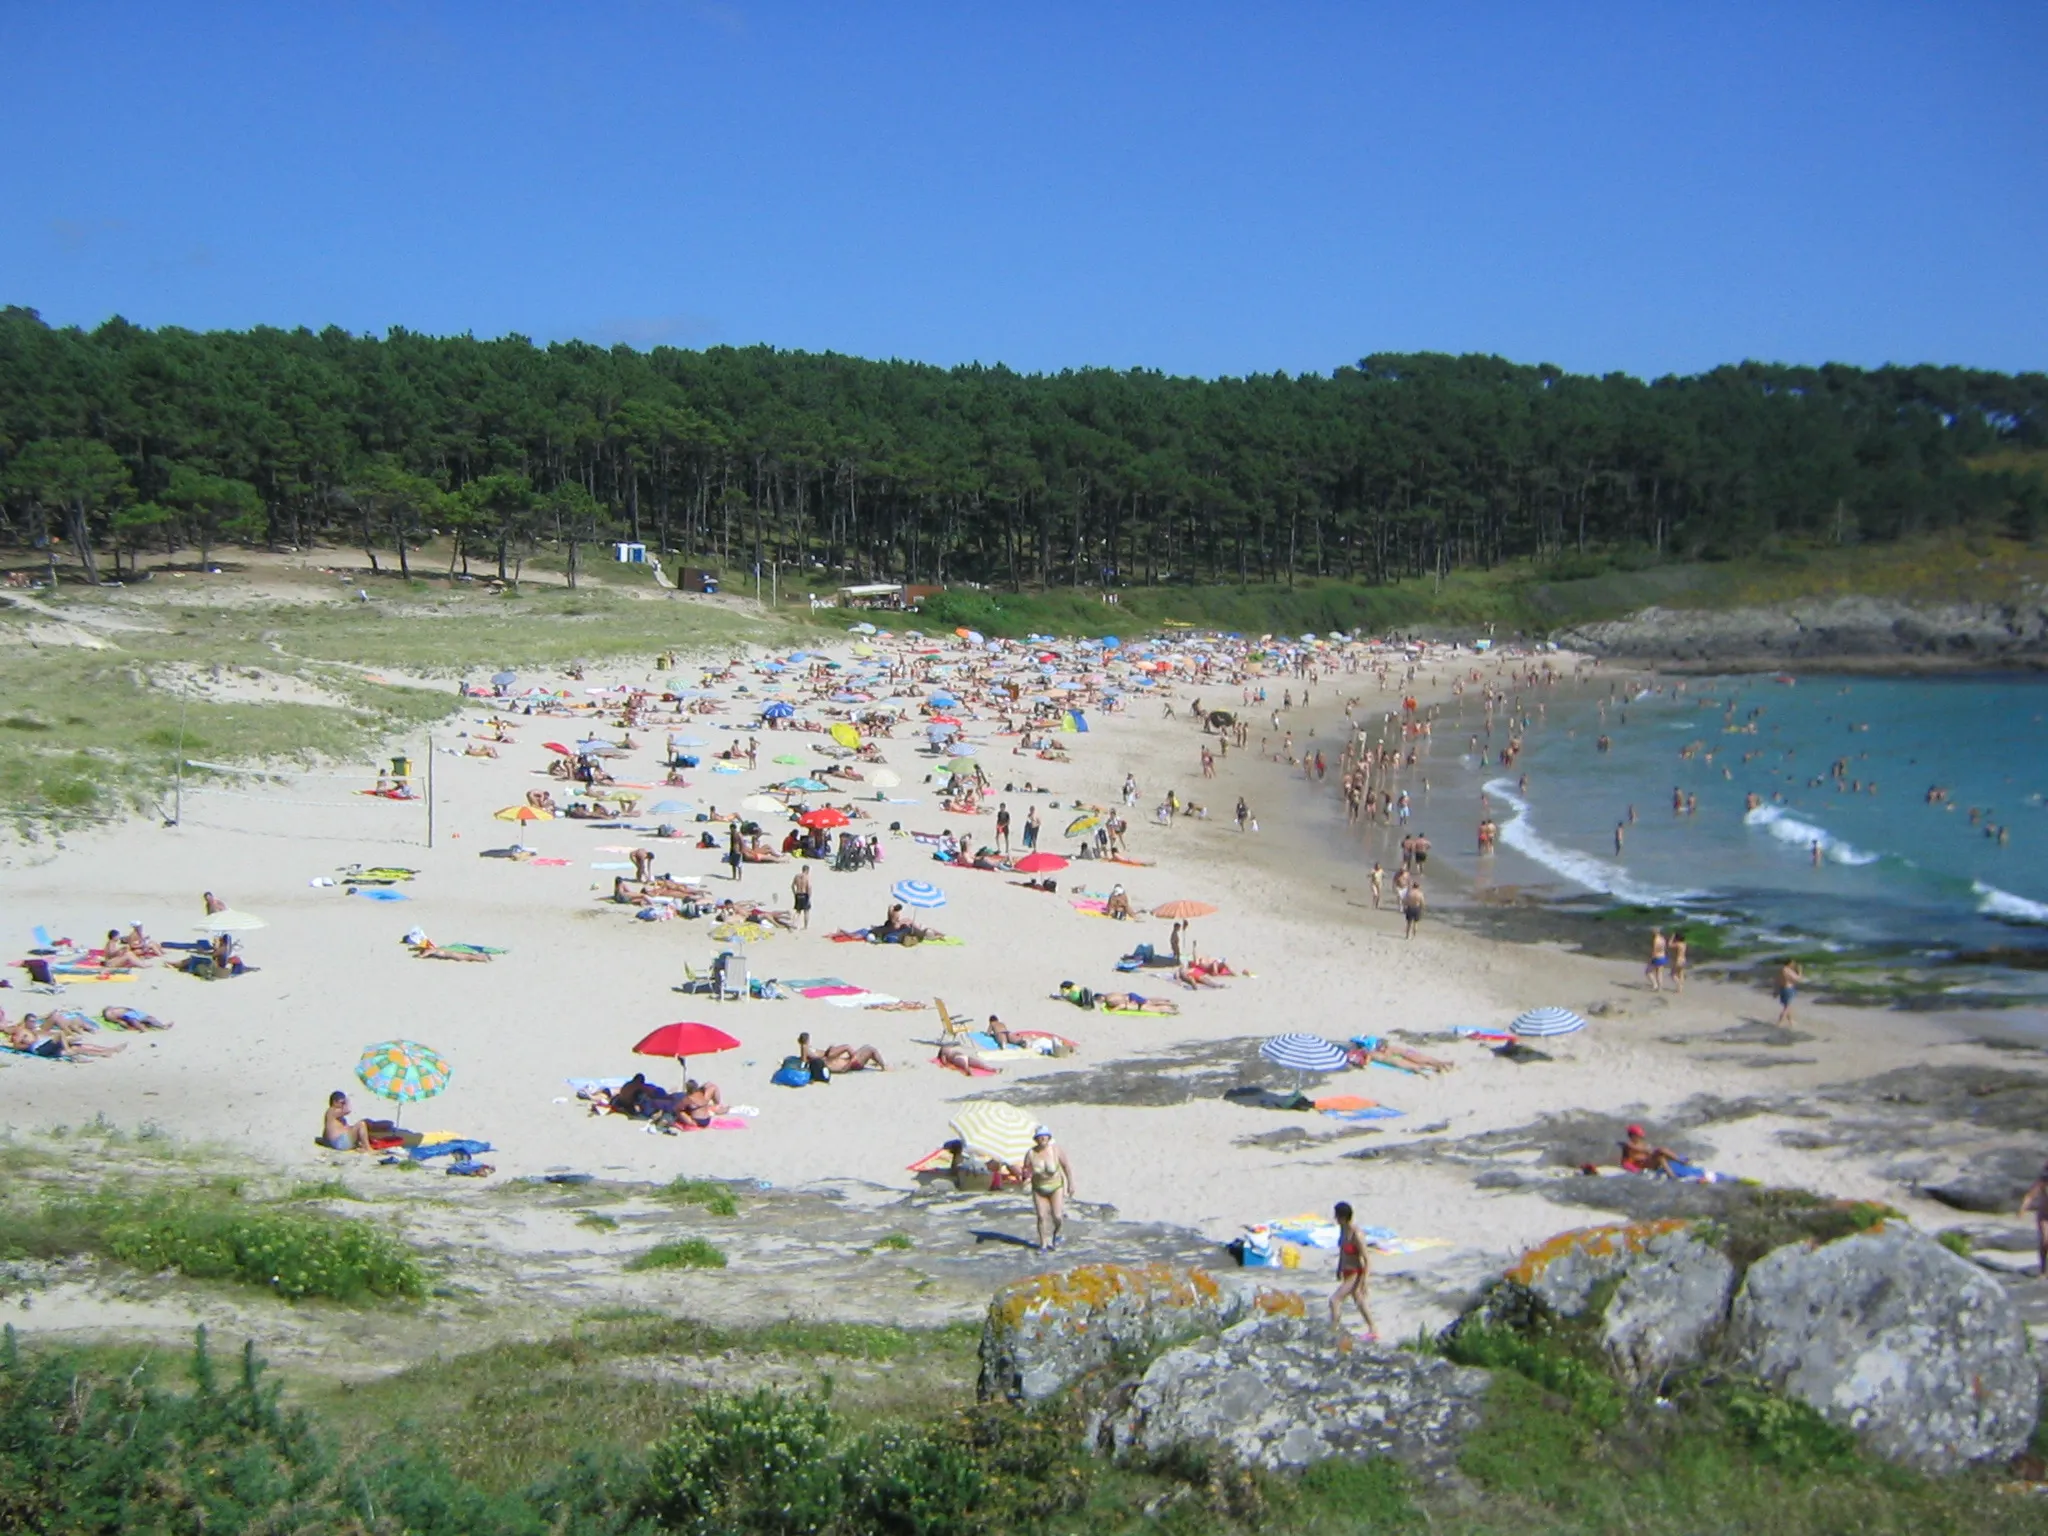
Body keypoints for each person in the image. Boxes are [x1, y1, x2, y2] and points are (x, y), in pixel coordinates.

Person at [1328, 1201, 1376, 1338]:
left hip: (1356, 1273)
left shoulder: (1356, 1235)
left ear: (1343, 1217)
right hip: (1346, 1271)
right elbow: (1343, 1251)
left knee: (1335, 1300)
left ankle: (1334, 1329)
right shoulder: (1343, 1230)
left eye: (1337, 1216)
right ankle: (1373, 1330)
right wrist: (1339, 1268)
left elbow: (1366, 1260)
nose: (1335, 1218)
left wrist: (1364, 1281)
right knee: (1359, 1301)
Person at [1023, 1126, 1075, 1252]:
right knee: (1041, 1216)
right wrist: (1026, 1179)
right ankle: (1043, 1244)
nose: (1042, 1138)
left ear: (1049, 1137)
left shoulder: (1056, 1150)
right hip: (1039, 1188)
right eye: (1039, 1137)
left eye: (1044, 1136)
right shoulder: (1031, 1153)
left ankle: (1055, 1234)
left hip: (1056, 1186)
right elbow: (1026, 1170)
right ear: (1036, 1139)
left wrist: (1071, 1184)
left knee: (1057, 1216)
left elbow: (1066, 1166)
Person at [2019, 1162, 2048, 1278]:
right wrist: (2023, 1209)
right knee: (2045, 1241)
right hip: (2044, 1215)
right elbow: (2031, 1195)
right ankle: (2043, 1270)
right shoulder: (2043, 1179)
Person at [1775, 958, 1804, 1026]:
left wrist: (1776, 990)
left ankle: (1790, 1021)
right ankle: (1779, 1022)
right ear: (1789, 963)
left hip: (1782, 989)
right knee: (1787, 1007)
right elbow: (1798, 979)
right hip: (1788, 989)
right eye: (1793, 963)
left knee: (1787, 1006)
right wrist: (1800, 971)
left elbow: (1777, 981)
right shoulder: (1788, 970)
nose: (1794, 965)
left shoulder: (1781, 970)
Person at [791, 864, 812, 929]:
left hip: (798, 894)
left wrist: (794, 893)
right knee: (806, 911)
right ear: (807, 870)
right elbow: (809, 887)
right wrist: (809, 896)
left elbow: (792, 886)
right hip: (804, 894)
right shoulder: (806, 877)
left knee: (798, 911)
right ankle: (805, 926)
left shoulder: (796, 876)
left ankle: (794, 924)